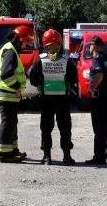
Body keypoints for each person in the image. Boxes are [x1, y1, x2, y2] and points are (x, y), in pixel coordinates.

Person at [28, 29, 76, 166]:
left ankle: (47, 157)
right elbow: (73, 79)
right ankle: (67, 157)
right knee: (65, 128)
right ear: (60, 44)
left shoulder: (40, 61)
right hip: (63, 99)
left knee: (46, 128)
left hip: (46, 99)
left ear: (45, 45)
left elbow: (33, 80)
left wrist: (42, 83)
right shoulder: (67, 61)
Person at [0, 25, 34, 163]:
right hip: (7, 93)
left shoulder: (11, 49)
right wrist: (16, 87)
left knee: (11, 122)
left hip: (7, 94)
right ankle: (4, 154)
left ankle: (13, 150)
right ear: (21, 39)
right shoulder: (11, 51)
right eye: (27, 41)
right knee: (8, 123)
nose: (28, 44)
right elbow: (6, 74)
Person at [85, 36, 107, 165]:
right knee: (106, 124)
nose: (89, 47)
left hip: (98, 96)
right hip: (106, 94)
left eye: (91, 45)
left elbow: (99, 74)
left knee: (98, 126)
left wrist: (93, 88)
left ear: (96, 46)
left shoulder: (98, 59)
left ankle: (99, 156)